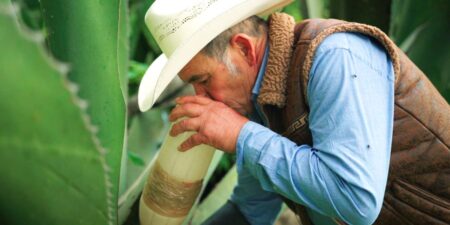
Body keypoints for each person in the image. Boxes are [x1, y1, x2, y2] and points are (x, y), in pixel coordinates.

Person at [138, 1, 450, 224]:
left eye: (203, 81)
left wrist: (240, 135)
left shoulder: (335, 56)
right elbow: (250, 211)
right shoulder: (261, 103)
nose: (201, 98)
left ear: (244, 49)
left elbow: (357, 201)